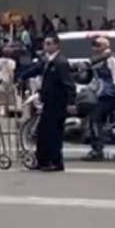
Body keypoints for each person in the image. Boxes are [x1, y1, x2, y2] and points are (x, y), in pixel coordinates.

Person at [20, 35, 75, 172]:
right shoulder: (47, 61)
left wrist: (70, 102)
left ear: (56, 46)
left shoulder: (60, 62)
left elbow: (69, 84)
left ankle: (56, 162)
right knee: (43, 133)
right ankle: (42, 160)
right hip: (47, 102)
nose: (46, 47)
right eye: (45, 44)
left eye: (49, 44)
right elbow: (36, 69)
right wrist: (22, 76)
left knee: (54, 134)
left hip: (57, 103)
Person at [85, 36, 115, 160]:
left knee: (95, 119)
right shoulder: (104, 58)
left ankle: (97, 150)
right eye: (94, 45)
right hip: (112, 94)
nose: (94, 47)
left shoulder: (110, 58)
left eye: (97, 45)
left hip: (112, 95)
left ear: (104, 46)